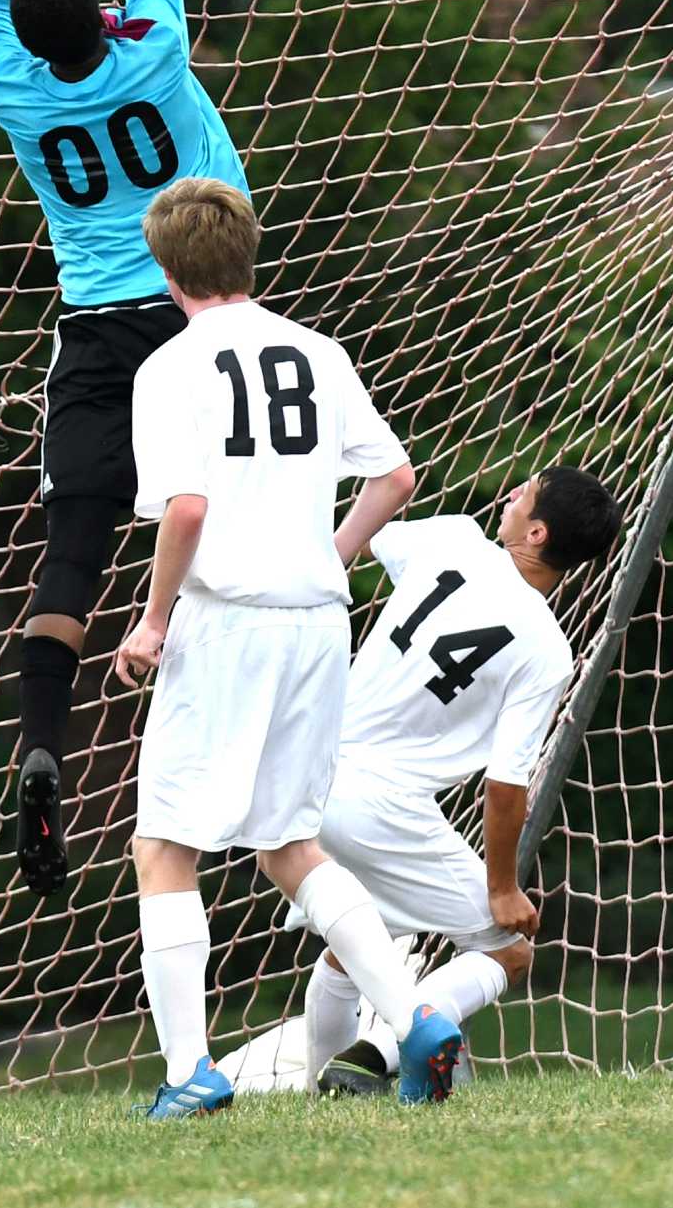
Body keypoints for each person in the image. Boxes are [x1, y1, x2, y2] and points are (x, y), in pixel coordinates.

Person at [0, 0, 250, 896]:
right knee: (214, 524)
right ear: (104, 14)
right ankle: (226, 747)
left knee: (70, 549)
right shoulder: (153, 52)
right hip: (193, 313)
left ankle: (40, 742)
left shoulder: (7, 87)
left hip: (90, 333)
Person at [111, 179, 461, 1115]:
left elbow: (186, 507)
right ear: (247, 254)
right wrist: (331, 554)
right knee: (289, 842)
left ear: (166, 267)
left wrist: (152, 619)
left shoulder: (169, 369)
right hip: (316, 620)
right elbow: (395, 475)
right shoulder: (319, 350)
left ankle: (190, 1072)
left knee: (165, 846)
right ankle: (416, 1014)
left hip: (227, 620)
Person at [289, 468, 623, 1097]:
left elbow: (366, 540)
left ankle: (324, 1102)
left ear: (538, 530)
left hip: (309, 775)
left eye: (525, 495)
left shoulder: (453, 539)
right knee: (508, 951)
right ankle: (379, 1051)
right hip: (380, 805)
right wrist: (503, 889)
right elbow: (505, 786)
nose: (512, 495)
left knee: (351, 947)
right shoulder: (546, 649)